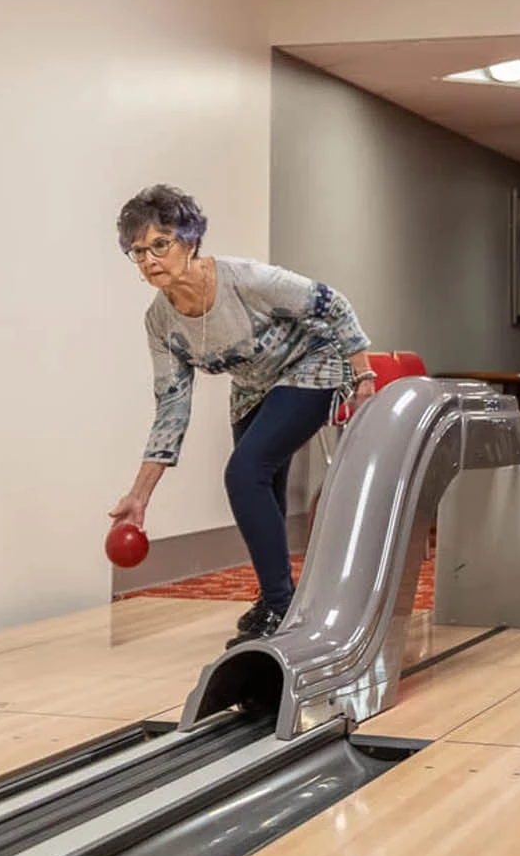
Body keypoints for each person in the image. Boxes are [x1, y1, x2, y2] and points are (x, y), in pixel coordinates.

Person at [109, 184, 376, 646]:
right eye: (138, 251)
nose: (150, 259)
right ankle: (281, 595)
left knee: (244, 473)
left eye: (160, 244)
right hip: (253, 388)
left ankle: (279, 606)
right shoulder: (161, 322)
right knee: (263, 488)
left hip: (311, 365)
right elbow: (172, 406)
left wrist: (364, 376)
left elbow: (332, 303)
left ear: (190, 241)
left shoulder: (245, 279)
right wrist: (140, 495)